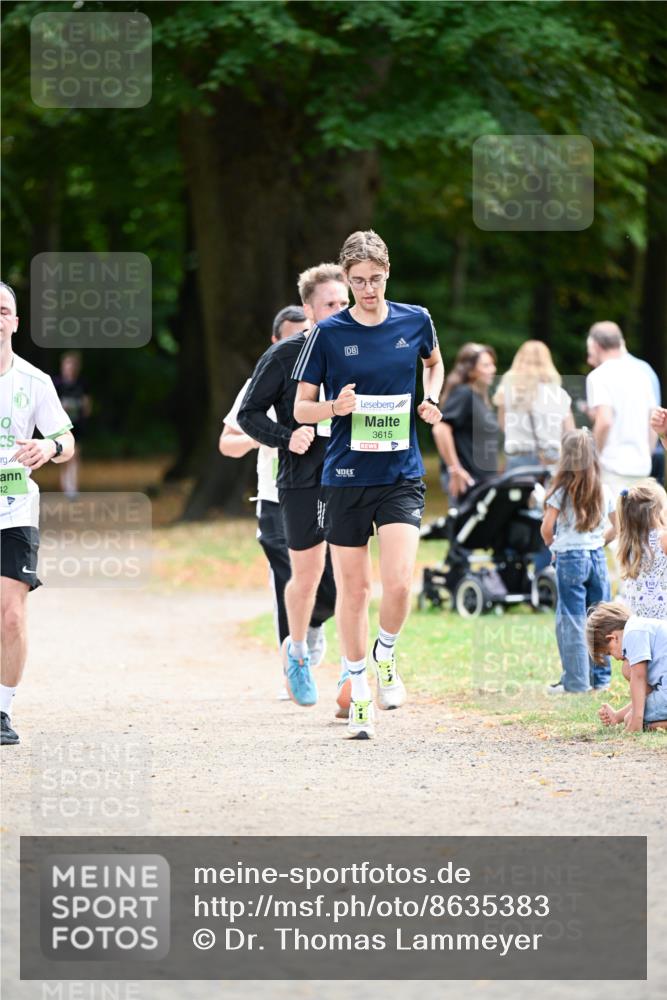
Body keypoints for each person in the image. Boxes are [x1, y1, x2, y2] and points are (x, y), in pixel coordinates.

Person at [293, 230, 444, 739]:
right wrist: (335, 407)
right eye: (358, 282)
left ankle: (386, 653)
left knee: (400, 581)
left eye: (375, 280)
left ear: (387, 274)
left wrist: (432, 399)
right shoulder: (328, 333)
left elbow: (434, 363)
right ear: (347, 280)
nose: (367, 290)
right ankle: (359, 693)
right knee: (353, 591)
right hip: (346, 476)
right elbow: (300, 408)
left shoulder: (415, 319)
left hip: (400, 472)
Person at [238, 264, 349, 709]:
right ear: (309, 309)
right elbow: (249, 414)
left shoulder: (362, 350)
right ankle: (297, 652)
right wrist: (288, 437)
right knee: (305, 577)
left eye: (345, 302)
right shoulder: (287, 355)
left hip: (351, 476)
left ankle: (351, 667)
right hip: (302, 479)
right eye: (331, 305)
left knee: (349, 577)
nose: (340, 311)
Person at [220, 305, 330, 689]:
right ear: (276, 340)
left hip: (319, 486)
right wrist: (268, 436)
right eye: (293, 335)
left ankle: (313, 624)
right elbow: (227, 442)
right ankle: (293, 660)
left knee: (327, 582)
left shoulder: (326, 374)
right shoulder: (263, 378)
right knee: (288, 573)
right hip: (274, 493)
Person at [0, 281, 75, 746]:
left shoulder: (34, 381)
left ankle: (2, 710)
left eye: (3, 310)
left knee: (10, 616)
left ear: (15, 322)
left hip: (14, 508)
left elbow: (68, 444)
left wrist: (48, 447)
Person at [540, 429, 617, 694]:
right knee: (599, 618)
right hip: (596, 557)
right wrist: (598, 543)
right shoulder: (604, 490)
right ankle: (601, 679)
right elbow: (616, 528)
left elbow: (546, 529)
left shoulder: (561, 492)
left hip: (570, 559)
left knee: (572, 620)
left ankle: (576, 682)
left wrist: (554, 547)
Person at [585, 322, 657, 496]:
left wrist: (593, 460)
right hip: (641, 467)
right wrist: (646, 454)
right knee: (636, 522)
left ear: (595, 345)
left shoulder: (598, 376)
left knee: (612, 522)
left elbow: (605, 421)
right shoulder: (642, 374)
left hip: (612, 468)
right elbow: (653, 421)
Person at [586, 601, 667, 732]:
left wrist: (636, 720)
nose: (616, 658)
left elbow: (639, 677)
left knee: (632, 718)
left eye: (609, 653)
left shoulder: (632, 633)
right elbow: (647, 693)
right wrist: (618, 716)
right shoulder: (640, 626)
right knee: (628, 670)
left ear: (613, 638)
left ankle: (650, 725)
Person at [493, 340, 574, 471]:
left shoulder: (507, 392)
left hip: (518, 459)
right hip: (550, 460)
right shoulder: (559, 394)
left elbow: (504, 426)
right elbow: (569, 432)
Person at [432, 342, 498, 503]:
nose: (493, 370)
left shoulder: (479, 397)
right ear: (471, 369)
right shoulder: (464, 393)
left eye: (492, 365)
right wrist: (455, 470)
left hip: (483, 481)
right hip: (468, 482)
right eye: (486, 365)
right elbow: (440, 428)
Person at [615, 480, 667, 619]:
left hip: (636, 618)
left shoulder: (629, 540)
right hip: (662, 619)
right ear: (658, 511)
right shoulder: (662, 538)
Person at [53, 351, 91, 499]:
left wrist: (82, 411)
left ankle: (72, 488)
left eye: (72, 365)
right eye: (67, 365)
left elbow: (87, 404)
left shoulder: (82, 384)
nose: (69, 368)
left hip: (76, 425)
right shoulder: (57, 384)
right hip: (61, 426)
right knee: (64, 456)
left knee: (75, 455)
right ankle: (65, 485)